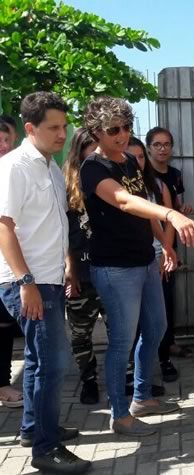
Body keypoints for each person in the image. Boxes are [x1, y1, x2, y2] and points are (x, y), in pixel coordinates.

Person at [80, 97, 194, 436]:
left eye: (126, 127)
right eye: (113, 130)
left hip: (146, 260)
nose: (122, 135)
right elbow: (123, 200)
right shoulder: (93, 168)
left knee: (157, 328)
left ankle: (142, 397)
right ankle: (119, 416)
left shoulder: (129, 162)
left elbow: (144, 207)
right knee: (121, 341)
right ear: (96, 132)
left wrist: (164, 245)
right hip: (116, 268)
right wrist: (172, 214)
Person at [0, 91, 91, 472]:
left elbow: (53, 225)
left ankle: (35, 429)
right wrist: (26, 281)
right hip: (28, 281)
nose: (62, 133)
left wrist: (67, 264)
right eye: (53, 127)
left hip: (49, 278)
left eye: (64, 125)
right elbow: (4, 228)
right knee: (54, 363)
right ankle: (46, 449)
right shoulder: (15, 167)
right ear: (30, 128)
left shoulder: (51, 166)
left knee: (39, 360)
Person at [125, 137, 175, 390]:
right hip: (131, 263)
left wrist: (167, 251)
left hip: (157, 259)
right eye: (130, 156)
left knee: (160, 318)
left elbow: (169, 220)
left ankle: (164, 361)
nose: (136, 162)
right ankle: (134, 375)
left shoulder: (156, 185)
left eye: (141, 157)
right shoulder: (117, 188)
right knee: (133, 323)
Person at [62, 128, 106, 405]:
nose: (97, 152)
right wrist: (69, 270)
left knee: (121, 329)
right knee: (80, 333)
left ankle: (125, 377)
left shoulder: (111, 176)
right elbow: (61, 231)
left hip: (111, 267)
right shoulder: (66, 184)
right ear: (80, 151)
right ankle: (88, 378)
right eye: (91, 147)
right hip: (80, 270)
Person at [146, 126, 193, 379]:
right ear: (149, 147)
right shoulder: (143, 175)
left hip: (168, 243)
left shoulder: (174, 175)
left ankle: (168, 345)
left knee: (167, 299)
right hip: (147, 245)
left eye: (167, 144)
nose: (163, 149)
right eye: (157, 145)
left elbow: (173, 209)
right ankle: (155, 353)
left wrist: (182, 210)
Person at [0, 118, 23, 410]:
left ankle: (3, 384)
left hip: (7, 267)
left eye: (9, 140)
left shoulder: (11, 172)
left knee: (4, 326)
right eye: (0, 140)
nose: (5, 147)